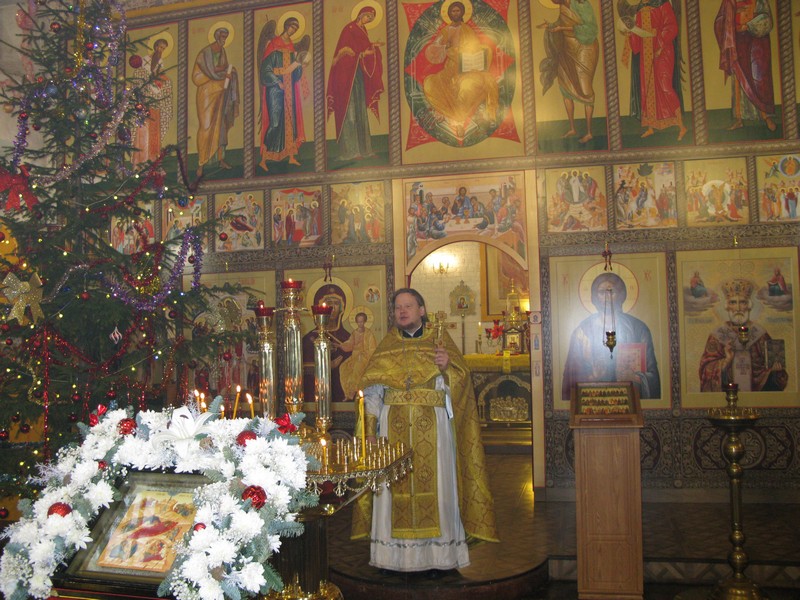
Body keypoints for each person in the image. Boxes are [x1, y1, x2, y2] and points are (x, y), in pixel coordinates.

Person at [351, 288, 497, 575]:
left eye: (408, 306)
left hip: (434, 433)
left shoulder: (440, 343)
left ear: (421, 310)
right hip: (391, 433)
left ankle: (438, 559)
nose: (402, 311)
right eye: (397, 307)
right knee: (391, 490)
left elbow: (461, 390)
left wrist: (447, 369)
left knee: (439, 491)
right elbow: (372, 394)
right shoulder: (386, 347)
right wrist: (370, 432)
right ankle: (392, 559)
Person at [562, 272, 661, 400]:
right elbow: (571, 377)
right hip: (595, 401)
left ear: (621, 294)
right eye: (601, 292)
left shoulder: (638, 328)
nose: (607, 297)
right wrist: (593, 377)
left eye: (612, 291)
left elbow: (653, 376)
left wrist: (635, 377)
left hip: (629, 400)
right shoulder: (582, 332)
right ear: (595, 296)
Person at [420, 1, 499, 137]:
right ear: (449, 14)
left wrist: (464, 53)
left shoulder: (467, 30)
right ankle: (452, 117)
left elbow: (475, 48)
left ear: (462, 12)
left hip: (467, 68)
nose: (455, 13)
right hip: (450, 68)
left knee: (466, 88)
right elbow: (434, 53)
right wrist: (443, 47)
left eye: (458, 11)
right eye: (453, 11)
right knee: (431, 83)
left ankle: (459, 122)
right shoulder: (445, 31)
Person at [699, 278, 788, 392]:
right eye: (733, 302)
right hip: (727, 393)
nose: (738, 308)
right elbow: (705, 370)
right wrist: (726, 362)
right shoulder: (717, 335)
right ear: (727, 306)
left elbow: (773, 367)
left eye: (742, 302)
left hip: (756, 396)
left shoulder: (760, 333)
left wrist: (775, 372)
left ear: (749, 305)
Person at [622, 0, 687, 141]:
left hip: (662, 51)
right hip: (645, 54)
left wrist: (659, 44)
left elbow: (672, 27)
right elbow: (637, 37)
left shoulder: (663, 4)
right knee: (647, 88)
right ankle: (651, 127)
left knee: (665, 86)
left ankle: (681, 126)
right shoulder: (640, 9)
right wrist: (630, 33)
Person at [326, 5, 385, 161]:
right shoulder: (349, 29)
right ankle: (350, 152)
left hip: (357, 75)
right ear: (360, 14)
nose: (368, 20)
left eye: (371, 19)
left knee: (360, 112)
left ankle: (365, 150)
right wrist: (363, 53)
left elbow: (363, 50)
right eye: (367, 16)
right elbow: (345, 53)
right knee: (349, 111)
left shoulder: (363, 31)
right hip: (346, 76)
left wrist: (372, 47)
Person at [537, 0, 599, 143]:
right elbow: (561, 23)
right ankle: (572, 128)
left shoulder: (582, 4)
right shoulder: (562, 7)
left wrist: (562, 28)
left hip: (584, 49)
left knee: (586, 90)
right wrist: (550, 26)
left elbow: (590, 30)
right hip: (567, 49)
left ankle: (589, 132)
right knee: (565, 85)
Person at [714, 0, 776, 131]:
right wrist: (729, 24)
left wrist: (749, 25)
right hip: (737, 42)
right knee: (738, 79)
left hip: (756, 43)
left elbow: (767, 19)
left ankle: (766, 116)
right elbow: (720, 19)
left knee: (759, 78)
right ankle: (739, 118)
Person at [258, 17, 308, 171]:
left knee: (290, 122)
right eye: (292, 26)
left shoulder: (292, 48)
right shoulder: (273, 45)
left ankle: (291, 156)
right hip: (275, 90)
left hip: (289, 90)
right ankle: (264, 159)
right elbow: (265, 70)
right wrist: (276, 81)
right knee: (274, 122)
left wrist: (300, 66)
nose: (293, 30)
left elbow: (295, 75)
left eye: (296, 28)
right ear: (286, 26)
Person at [192, 27, 239, 177]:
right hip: (206, 93)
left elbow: (222, 70)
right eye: (222, 36)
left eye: (226, 37)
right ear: (217, 36)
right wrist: (222, 73)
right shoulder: (204, 54)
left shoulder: (222, 52)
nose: (224, 40)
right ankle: (201, 163)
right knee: (206, 126)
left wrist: (229, 74)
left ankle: (220, 159)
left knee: (221, 125)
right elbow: (201, 75)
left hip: (220, 91)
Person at [302, 283, 352, 402]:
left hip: (341, 394)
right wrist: (326, 366)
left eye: (336, 303)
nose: (332, 307)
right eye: (329, 303)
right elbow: (302, 370)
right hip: (316, 395)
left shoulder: (349, 338)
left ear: (342, 308)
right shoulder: (309, 339)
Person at [132, 37, 173, 166]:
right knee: (143, 134)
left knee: (154, 135)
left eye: (163, 49)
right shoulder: (142, 67)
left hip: (155, 109)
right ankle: (141, 162)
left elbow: (163, 84)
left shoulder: (160, 67)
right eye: (160, 47)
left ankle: (153, 162)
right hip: (144, 110)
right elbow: (138, 84)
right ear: (155, 47)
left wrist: (162, 83)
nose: (160, 50)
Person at [337, 311, 378, 400]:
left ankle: (353, 391)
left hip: (365, 357)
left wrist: (363, 354)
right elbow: (350, 344)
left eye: (362, 322)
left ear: (365, 321)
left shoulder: (369, 333)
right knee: (343, 367)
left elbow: (372, 349)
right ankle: (347, 392)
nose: (360, 324)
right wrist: (341, 345)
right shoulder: (354, 333)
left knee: (357, 368)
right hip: (354, 356)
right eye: (358, 322)